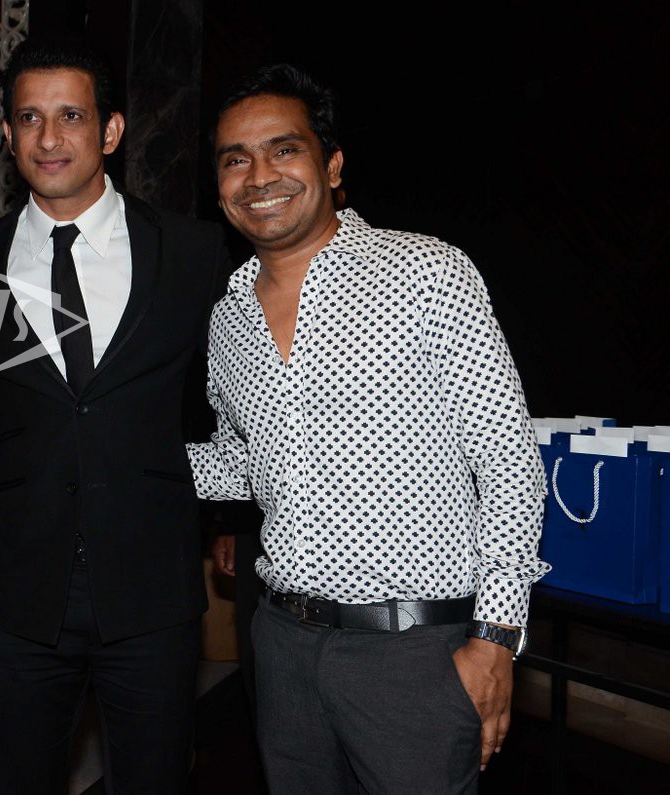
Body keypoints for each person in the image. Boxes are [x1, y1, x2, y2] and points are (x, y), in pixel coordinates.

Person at [188, 64, 549, 793]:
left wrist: (495, 638)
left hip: (413, 653)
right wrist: (122, 454)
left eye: (284, 150)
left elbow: (509, 461)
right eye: (235, 159)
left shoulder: (427, 272)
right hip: (282, 645)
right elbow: (242, 462)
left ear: (332, 165)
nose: (259, 176)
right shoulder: (227, 318)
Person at [0, 37, 230, 793]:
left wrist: (235, 521)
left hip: (151, 590)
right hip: (20, 594)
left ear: (110, 130)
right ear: (6, 134)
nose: (49, 138)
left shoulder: (191, 253)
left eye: (70, 116)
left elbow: (227, 404)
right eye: (29, 118)